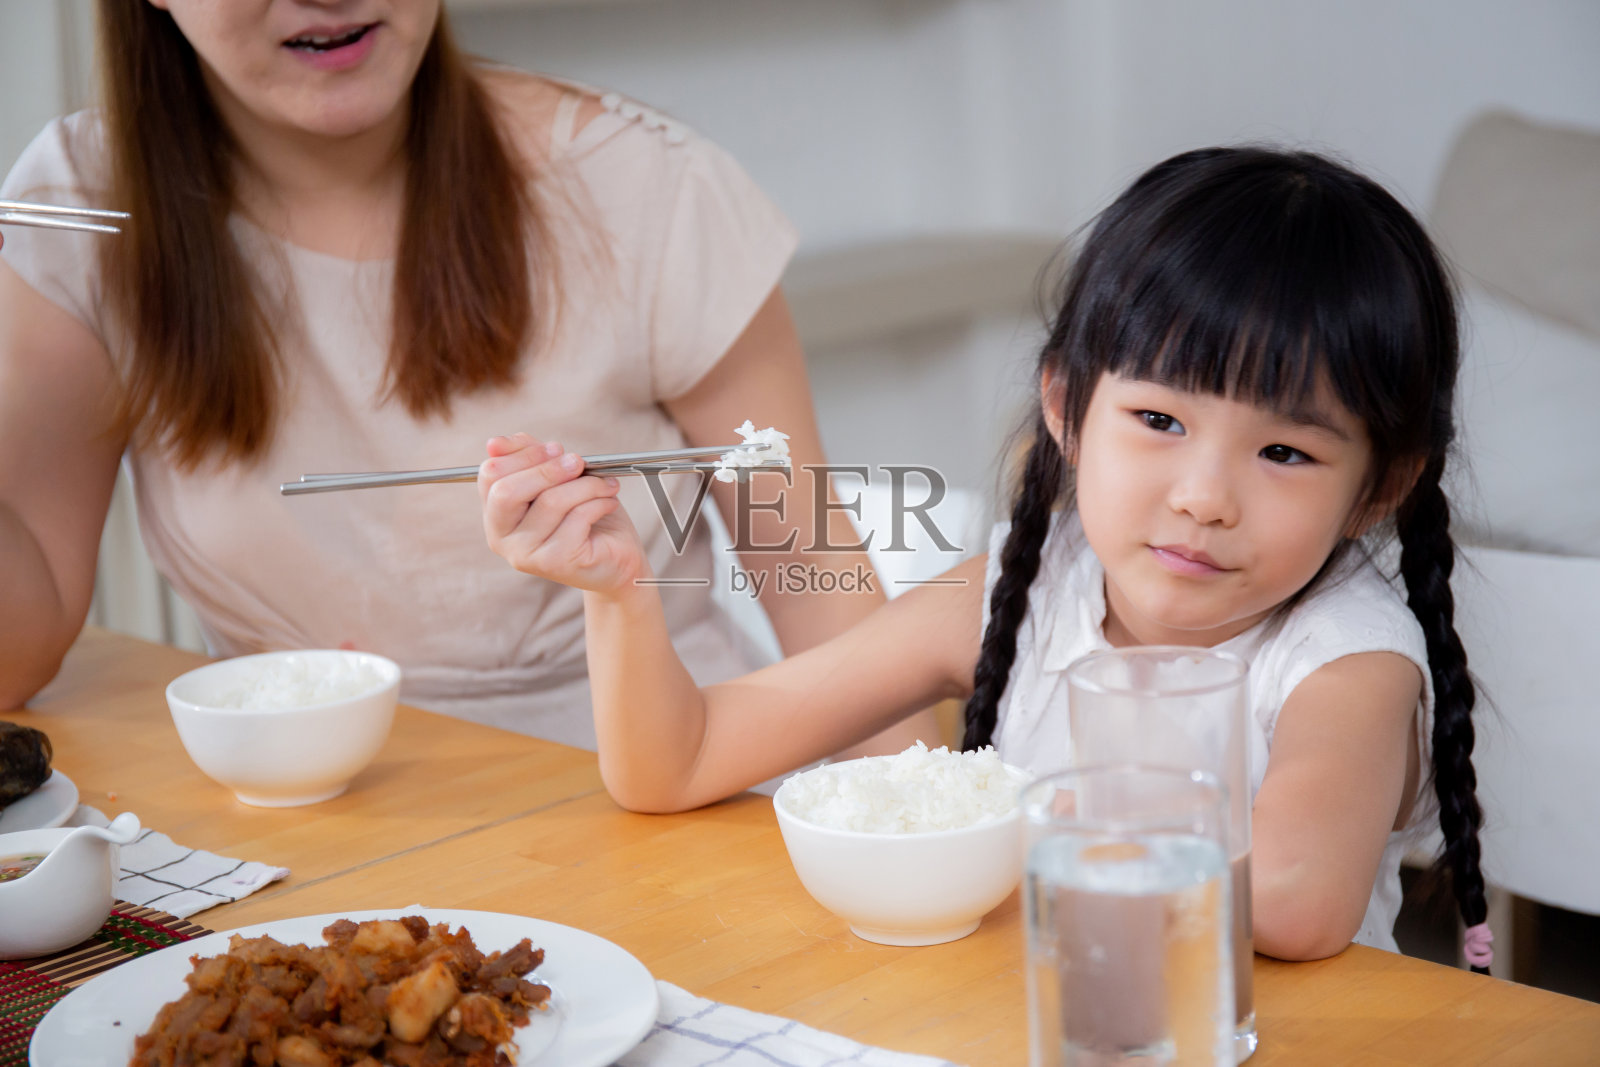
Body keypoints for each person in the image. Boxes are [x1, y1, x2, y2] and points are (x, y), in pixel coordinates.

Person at [478, 146, 1493, 966]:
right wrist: (617, 592)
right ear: (1065, 409)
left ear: (1377, 486)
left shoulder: (1343, 657)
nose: (1202, 495)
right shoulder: (1029, 585)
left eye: (1283, 451)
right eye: (1156, 418)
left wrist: (981, 825)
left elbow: (1294, 899)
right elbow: (681, 760)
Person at [0, 1, 929, 753]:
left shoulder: (643, 186)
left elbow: (827, 603)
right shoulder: (82, 209)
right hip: (304, 839)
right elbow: (20, 651)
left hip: (664, 805)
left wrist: (925, 864)